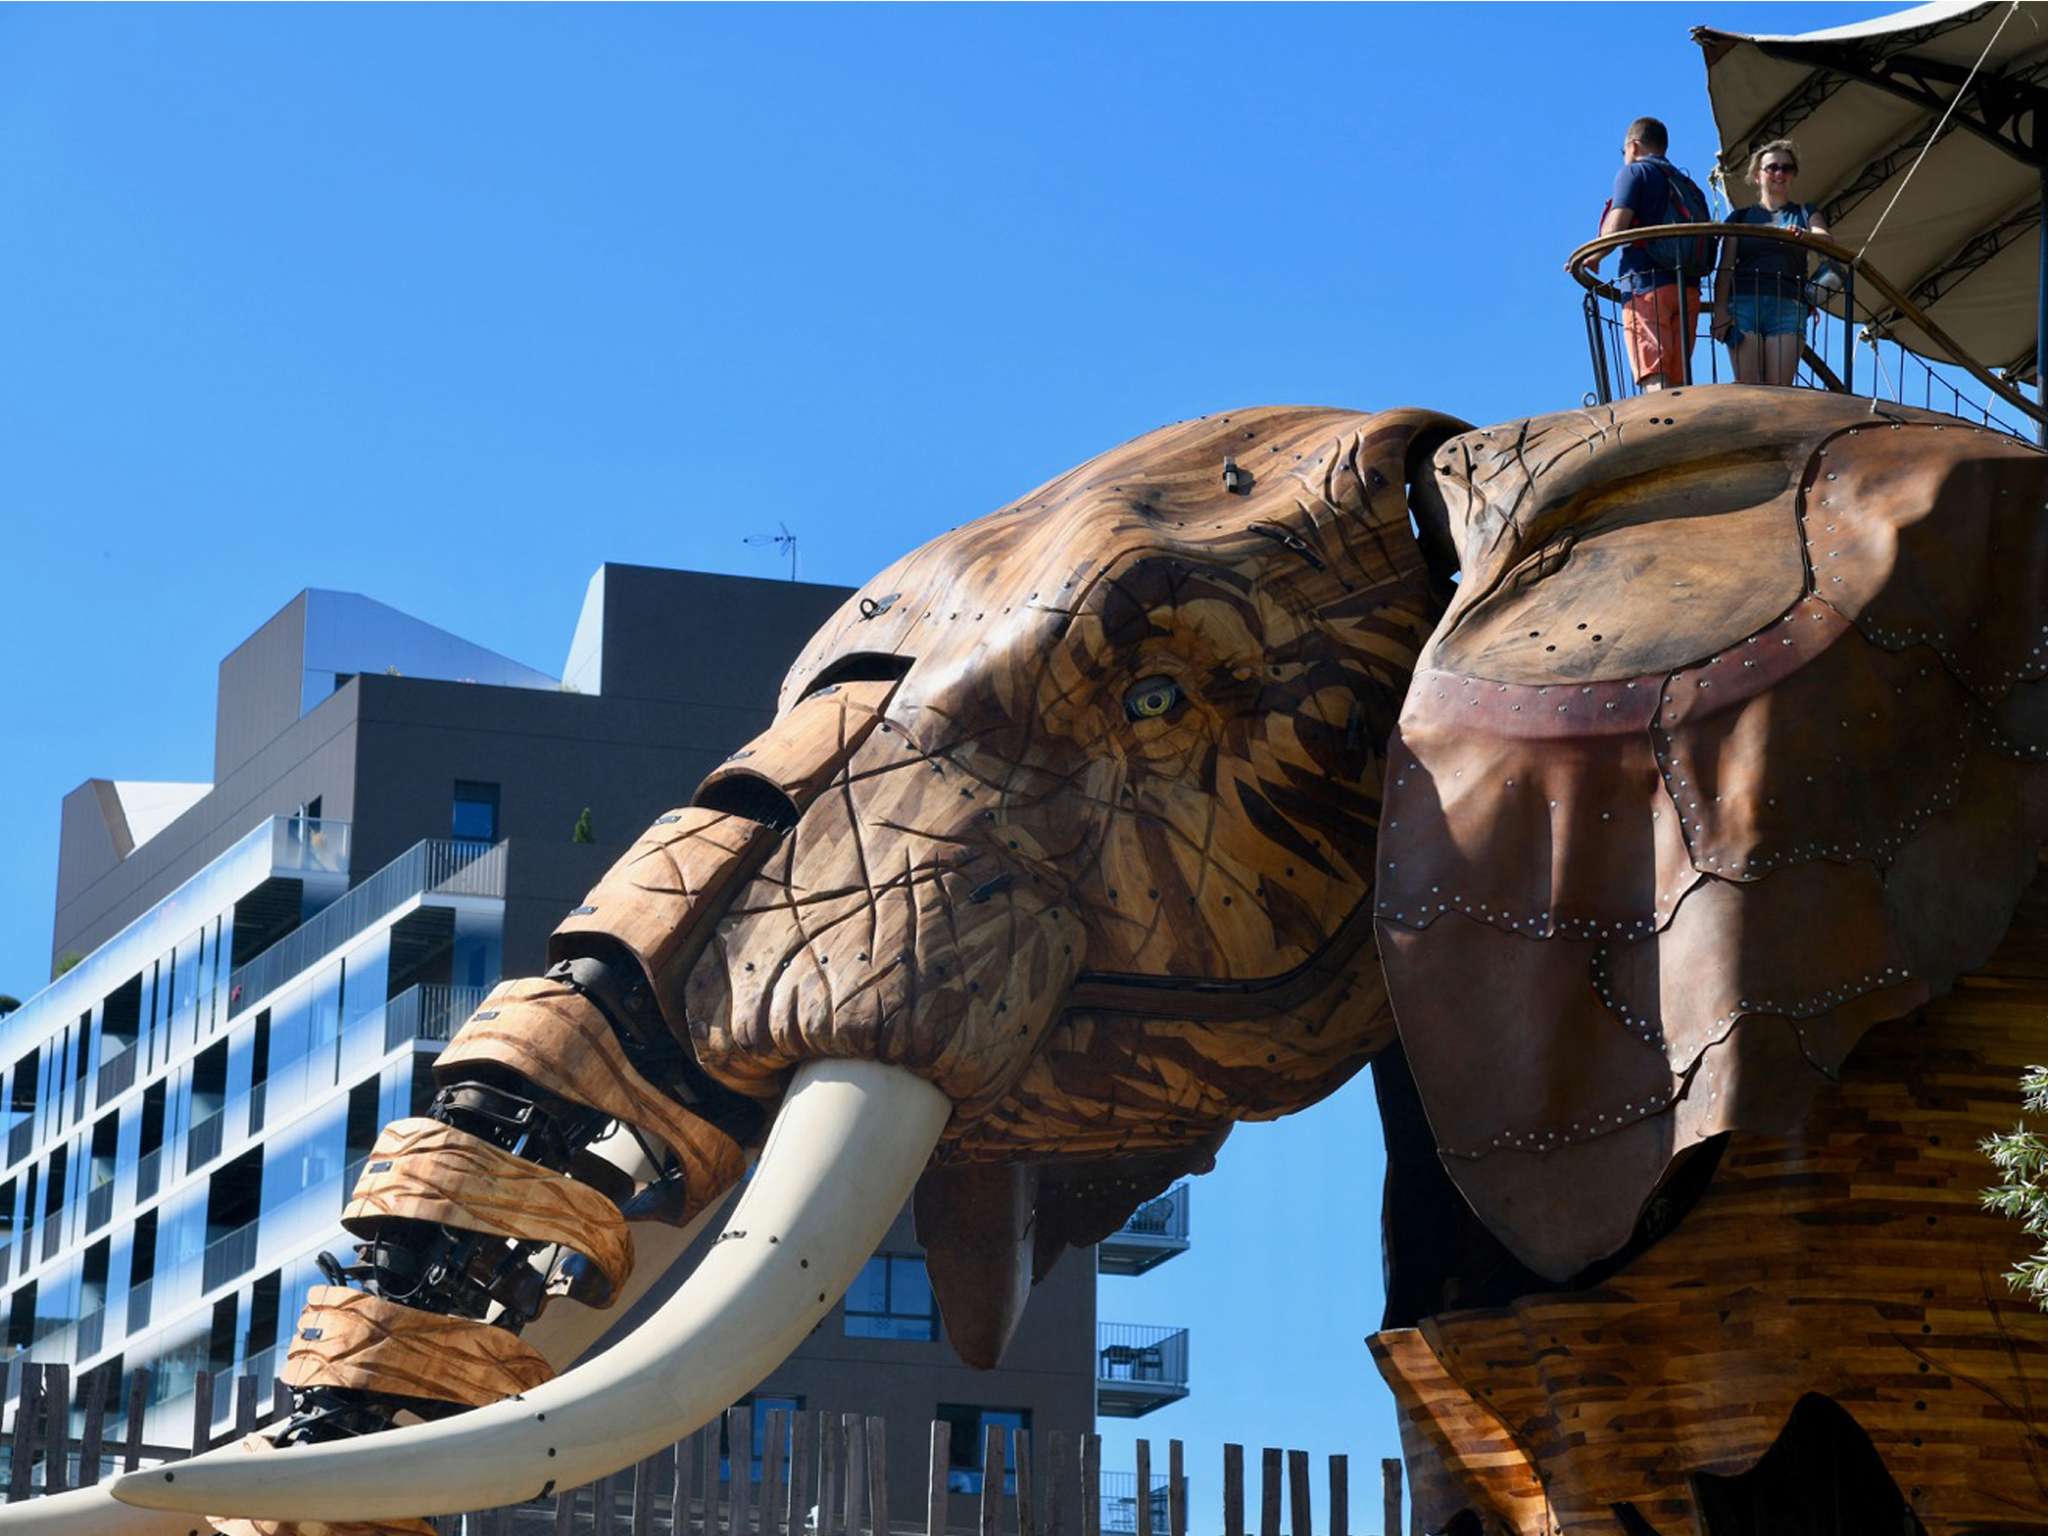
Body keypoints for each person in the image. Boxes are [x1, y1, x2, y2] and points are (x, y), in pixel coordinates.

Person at [1711, 139, 1831, 387]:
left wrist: (1804, 234)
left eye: (1786, 168)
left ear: (1793, 175)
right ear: (1757, 176)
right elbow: (1725, 267)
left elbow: (1826, 239)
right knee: (1750, 387)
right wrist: (1720, 309)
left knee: (1780, 390)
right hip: (1744, 303)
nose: (1779, 173)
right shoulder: (1740, 218)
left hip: (1788, 305)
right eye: (1772, 167)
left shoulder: (1805, 213)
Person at [1598, 116, 1701, 392]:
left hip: (1646, 285)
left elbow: (1615, 229)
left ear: (1632, 146)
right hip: (1688, 290)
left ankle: (1665, 429)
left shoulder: (1634, 173)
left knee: (1654, 375)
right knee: (1680, 379)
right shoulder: (1687, 184)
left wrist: (1593, 256)